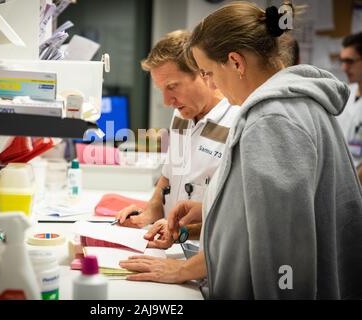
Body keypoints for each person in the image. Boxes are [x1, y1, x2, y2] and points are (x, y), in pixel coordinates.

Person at [164, 2, 362, 299]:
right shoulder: (297, 104)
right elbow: (278, 209)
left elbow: (284, 251)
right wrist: (214, 211)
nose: (210, 83)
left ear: (235, 62)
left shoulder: (271, 120)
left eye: (207, 72)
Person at [116, 30, 240, 283]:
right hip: (173, 251)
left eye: (172, 87)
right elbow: (170, 173)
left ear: (204, 74)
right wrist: (151, 210)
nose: (166, 100)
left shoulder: (238, 121)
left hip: (210, 263)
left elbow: (238, 219)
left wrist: (180, 231)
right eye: (161, 89)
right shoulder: (182, 114)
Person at [337, 32, 362, 184]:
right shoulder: (345, 93)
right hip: (341, 180)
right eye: (342, 61)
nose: (344, 68)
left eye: (349, 61)